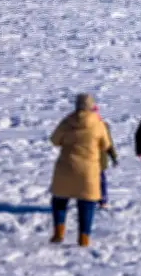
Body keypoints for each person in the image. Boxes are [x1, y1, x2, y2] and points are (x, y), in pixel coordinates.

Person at [49, 93, 112, 247]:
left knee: (60, 200)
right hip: (88, 171)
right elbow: (106, 145)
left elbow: (54, 140)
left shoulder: (66, 121)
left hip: (66, 167)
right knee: (87, 204)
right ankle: (83, 238)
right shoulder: (98, 124)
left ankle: (58, 232)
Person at [94, 104, 118, 209]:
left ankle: (101, 200)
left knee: (99, 180)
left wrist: (113, 156)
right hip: (94, 160)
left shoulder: (102, 126)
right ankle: (100, 200)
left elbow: (108, 144)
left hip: (97, 160)